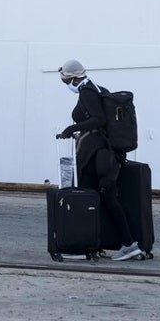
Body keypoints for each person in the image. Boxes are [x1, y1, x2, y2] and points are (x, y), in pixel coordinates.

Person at [56, 59, 143, 261]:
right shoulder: (95, 87)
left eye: (64, 80)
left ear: (73, 78)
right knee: (104, 199)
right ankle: (104, 244)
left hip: (95, 155)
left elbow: (98, 119)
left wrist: (72, 128)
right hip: (101, 153)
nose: (65, 84)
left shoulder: (87, 91)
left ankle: (99, 246)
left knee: (90, 197)